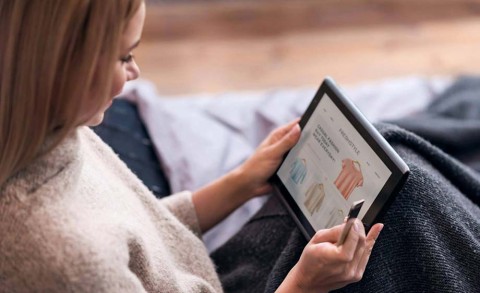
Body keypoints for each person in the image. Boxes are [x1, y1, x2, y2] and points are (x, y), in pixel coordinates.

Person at [0, 1, 383, 292]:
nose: (135, 74)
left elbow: (138, 233)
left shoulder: (52, 130)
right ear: (62, 66)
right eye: (124, 56)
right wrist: (303, 285)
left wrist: (239, 183)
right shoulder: (70, 266)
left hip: (214, 268)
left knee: (397, 146)